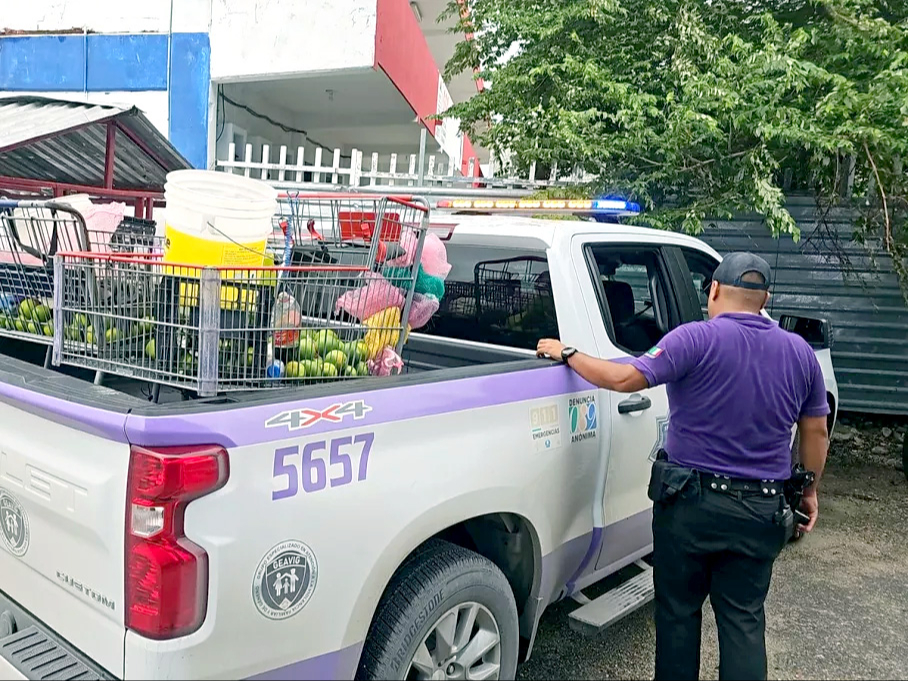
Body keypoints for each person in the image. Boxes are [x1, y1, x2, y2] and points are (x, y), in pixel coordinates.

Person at [536, 252, 830, 681]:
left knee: (677, 616)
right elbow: (816, 432)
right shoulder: (799, 353)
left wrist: (567, 352)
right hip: (760, 510)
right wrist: (808, 490)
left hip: (689, 507)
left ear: (713, 290)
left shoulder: (692, 338)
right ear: (765, 298)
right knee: (744, 621)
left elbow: (622, 379)